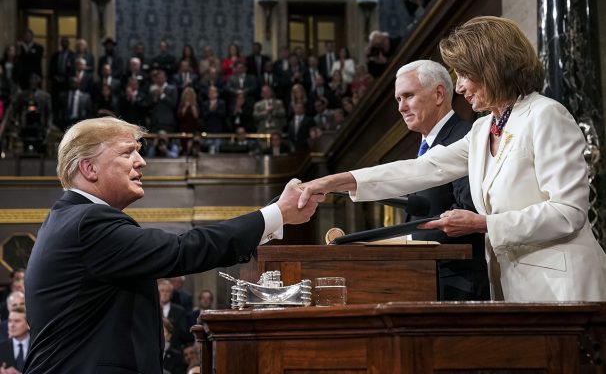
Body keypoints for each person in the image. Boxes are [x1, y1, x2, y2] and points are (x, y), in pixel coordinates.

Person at [298, 16, 606, 302]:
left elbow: (567, 213)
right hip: (515, 288)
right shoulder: (484, 127)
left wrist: (484, 223)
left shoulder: (545, 115)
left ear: (492, 67)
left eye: (464, 74)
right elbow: (423, 168)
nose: (459, 87)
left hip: (565, 287)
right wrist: (335, 181)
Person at [24, 117, 322, 372]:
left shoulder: (73, 219)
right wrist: (277, 214)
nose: (142, 162)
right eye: (128, 153)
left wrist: (275, 213)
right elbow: (182, 250)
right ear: (89, 168)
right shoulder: (87, 223)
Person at [393, 59, 489, 301]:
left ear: (438, 94)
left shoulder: (465, 137)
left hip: (460, 286)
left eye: (408, 96)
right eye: (398, 99)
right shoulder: (426, 145)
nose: (401, 107)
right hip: (429, 280)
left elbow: (469, 209)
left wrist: (405, 242)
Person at [0, 306, 29, 373]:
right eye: (10, 321)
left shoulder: (38, 347)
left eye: (17, 321)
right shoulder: (1, 347)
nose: (11, 325)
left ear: (28, 324)